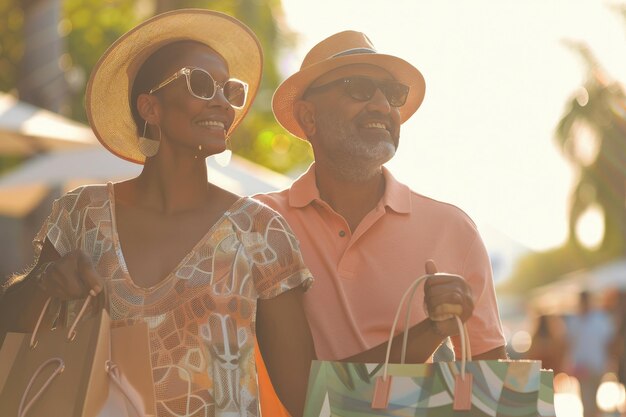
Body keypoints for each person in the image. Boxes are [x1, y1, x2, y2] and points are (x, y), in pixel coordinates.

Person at [0, 9, 315, 417]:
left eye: (229, 90)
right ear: (150, 107)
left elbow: (305, 394)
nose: (222, 102)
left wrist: (418, 338)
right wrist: (45, 281)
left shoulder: (260, 231)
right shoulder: (83, 214)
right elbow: (10, 324)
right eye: (201, 84)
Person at [255, 30, 508, 364]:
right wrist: (431, 330)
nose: (382, 106)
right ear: (308, 116)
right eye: (357, 88)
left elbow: (493, 384)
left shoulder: (454, 229)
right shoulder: (259, 223)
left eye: (392, 93)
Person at [565, 291, 615, 417]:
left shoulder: (600, 319)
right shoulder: (575, 321)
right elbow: (570, 345)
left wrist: (610, 362)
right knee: (586, 400)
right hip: (581, 367)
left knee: (592, 399)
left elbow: (609, 343)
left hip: (597, 365)